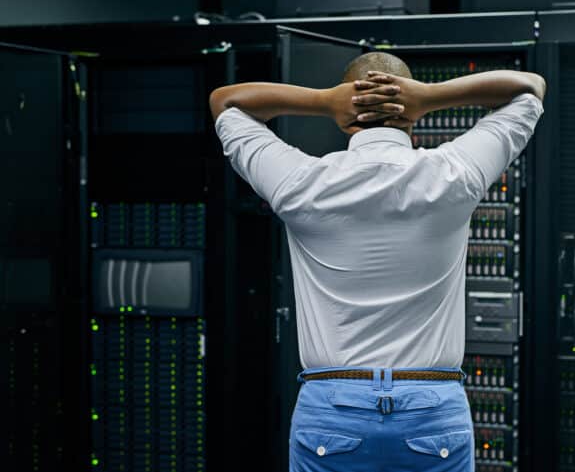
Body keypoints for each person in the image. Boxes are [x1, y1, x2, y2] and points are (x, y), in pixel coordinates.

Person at [209, 52, 545, 472]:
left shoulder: (301, 182)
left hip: (332, 407)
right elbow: (530, 89)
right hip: (432, 408)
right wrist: (431, 95)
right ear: (411, 114)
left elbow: (226, 102)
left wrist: (324, 100)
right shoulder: (455, 174)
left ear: (347, 117)